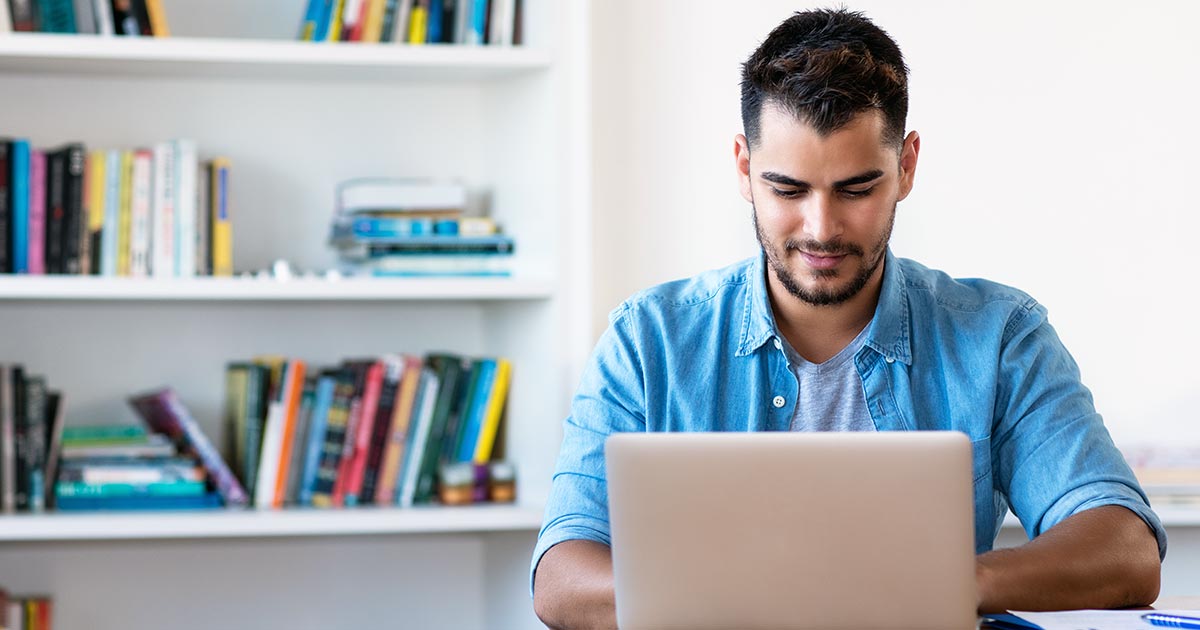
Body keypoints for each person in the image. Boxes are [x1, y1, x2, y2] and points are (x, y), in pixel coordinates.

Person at [531, 8, 1166, 628]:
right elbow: (560, 578)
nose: (821, 228)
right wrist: (741, 594)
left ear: (907, 165)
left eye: (856, 189)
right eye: (787, 189)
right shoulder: (648, 340)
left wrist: (941, 583)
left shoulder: (1000, 337)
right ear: (744, 168)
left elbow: (1125, 548)